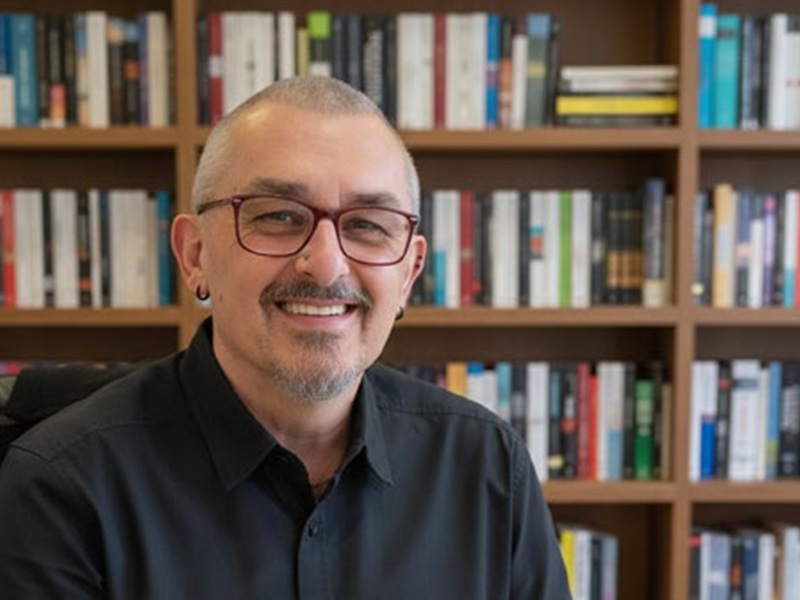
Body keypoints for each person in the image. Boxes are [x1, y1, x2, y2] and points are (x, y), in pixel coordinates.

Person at [0, 76, 571, 599]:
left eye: (368, 225)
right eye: (277, 216)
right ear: (194, 255)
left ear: (408, 274)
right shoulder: (62, 487)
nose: (325, 265)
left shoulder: (488, 469)